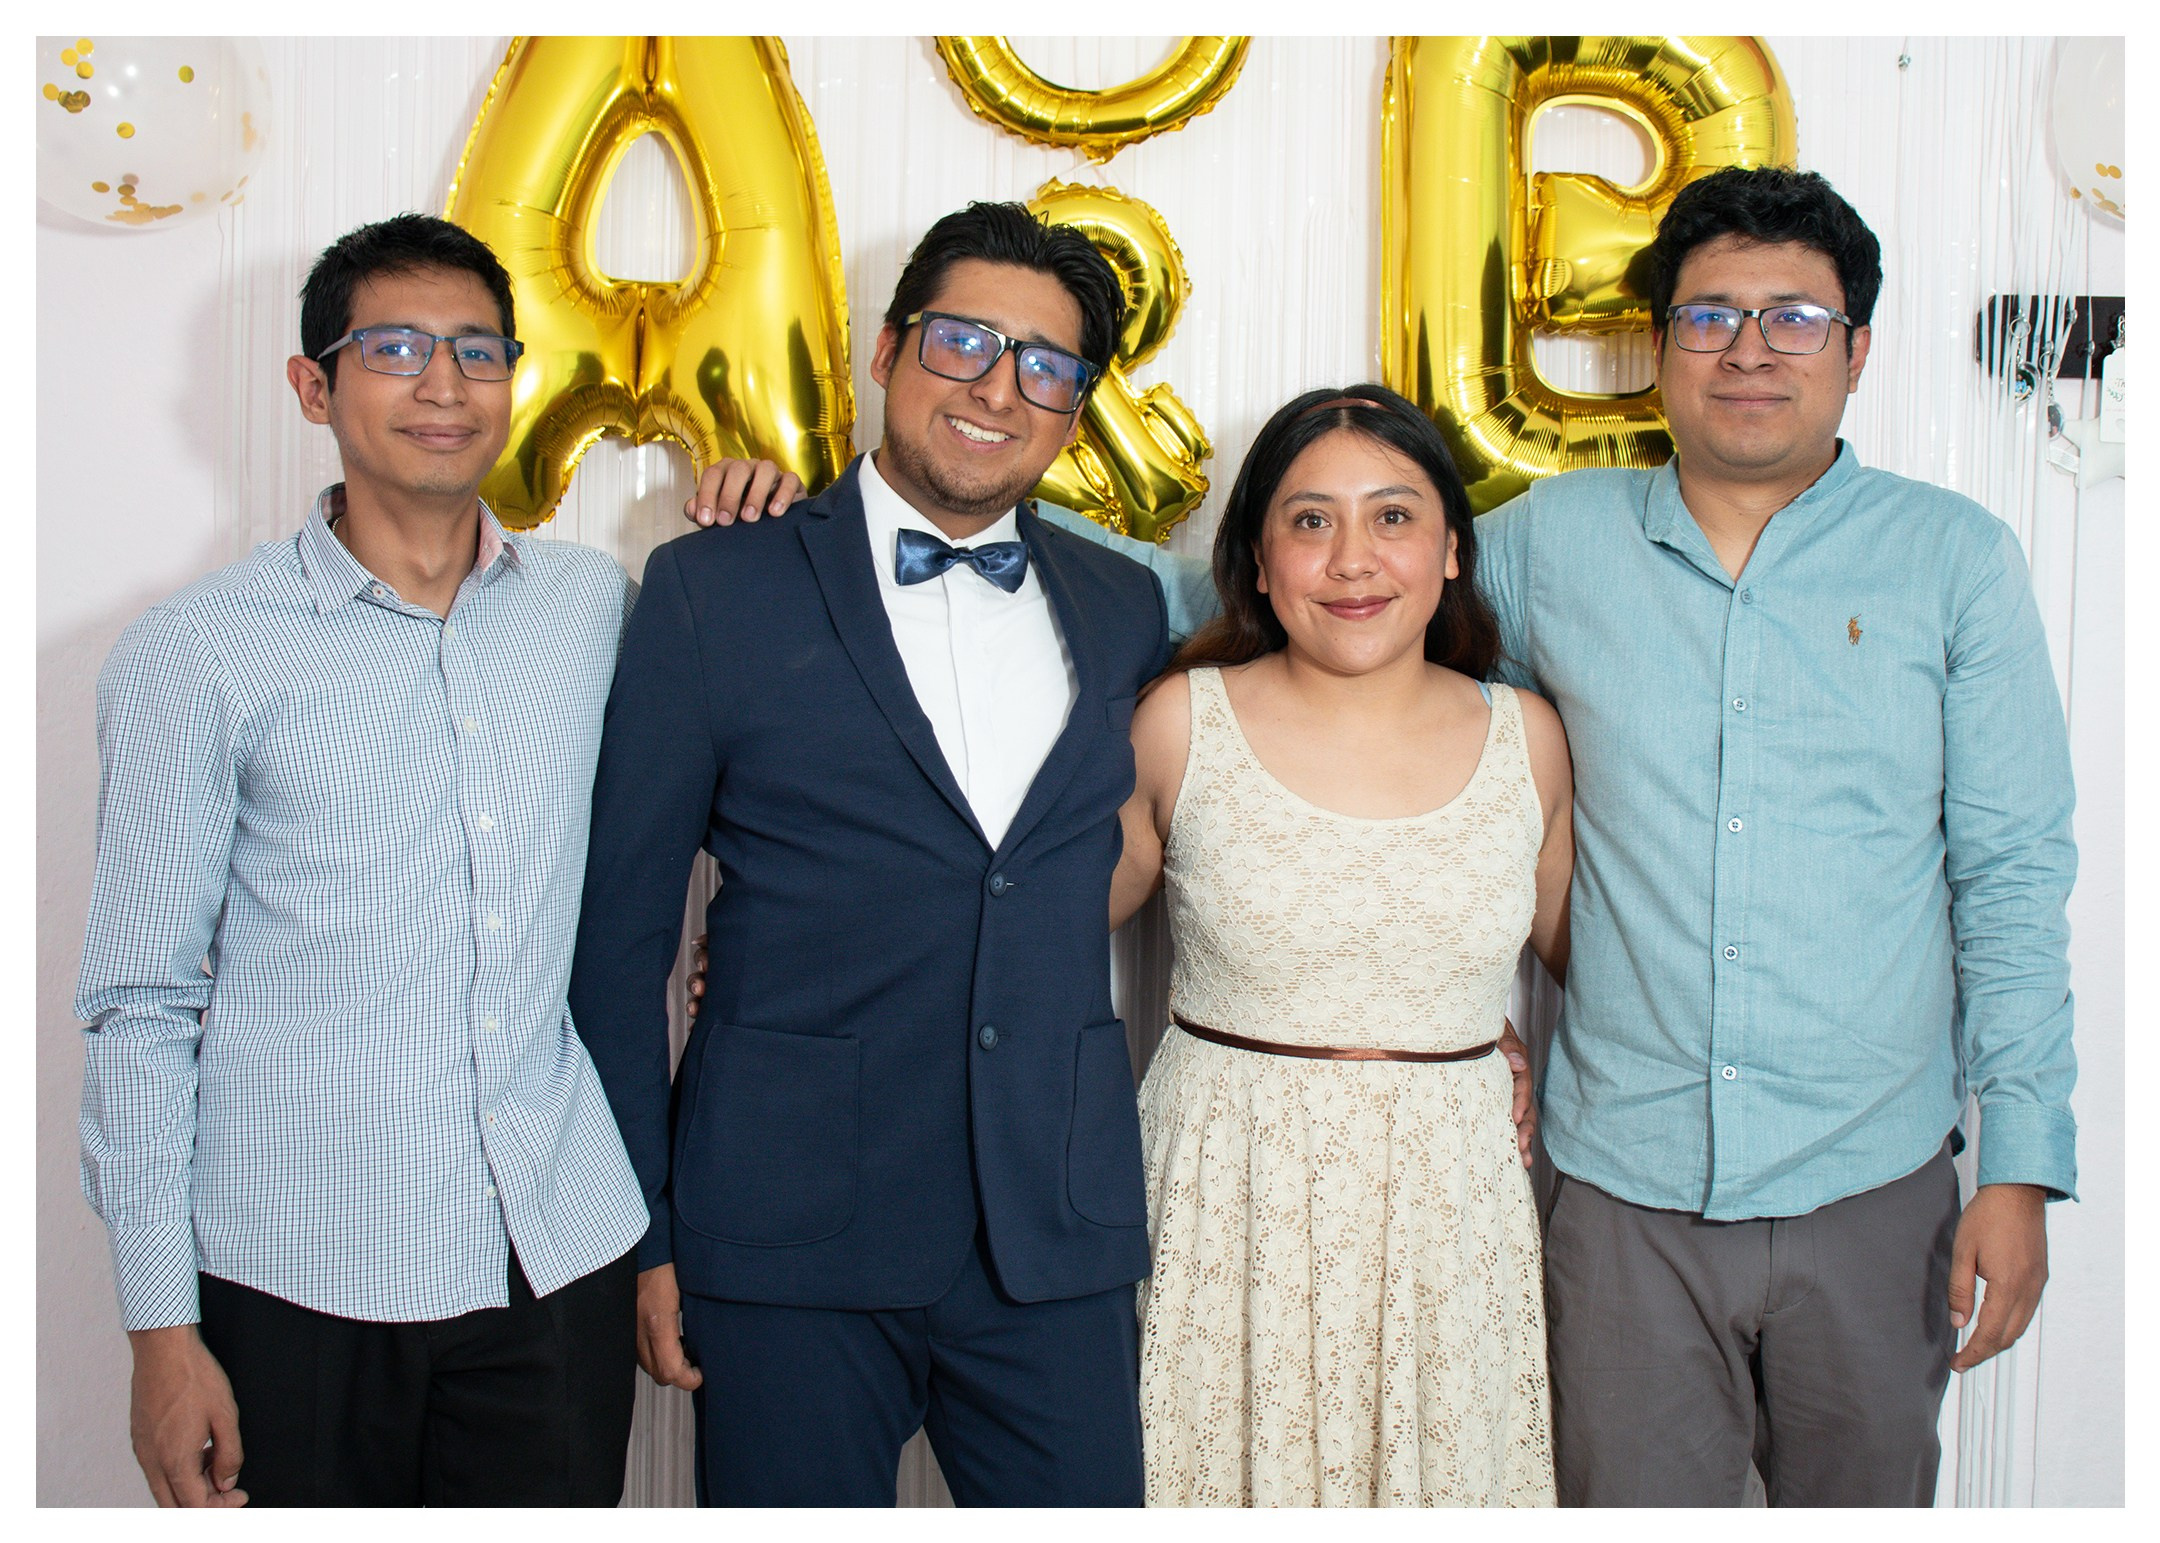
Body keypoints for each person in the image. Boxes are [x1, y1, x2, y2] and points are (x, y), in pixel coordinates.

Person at [565, 201, 1173, 1506]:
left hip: (1050, 1234)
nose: (999, 388)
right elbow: (619, 944)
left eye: (1046, 366)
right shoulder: (714, 586)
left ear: (1075, 408)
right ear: (888, 351)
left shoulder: (1131, 606)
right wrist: (643, 1234)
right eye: (963, 341)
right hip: (784, 1231)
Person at [75, 213, 649, 1507]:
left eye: (476, 349)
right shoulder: (200, 650)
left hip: (554, 1256)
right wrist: (161, 1332)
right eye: (394, 348)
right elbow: (139, 1005)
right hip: (296, 1273)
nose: (443, 385)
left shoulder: (591, 609)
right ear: (314, 385)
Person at [1103, 385, 1572, 1505]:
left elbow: (1599, 974)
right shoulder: (1181, 719)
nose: (1353, 558)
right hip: (1227, 1202)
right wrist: (813, 951)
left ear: (1454, 550)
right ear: (1257, 560)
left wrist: (1472, 1031)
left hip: (1445, 1214)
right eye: (1310, 521)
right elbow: (1030, 926)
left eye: (1393, 517)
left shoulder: (1528, 738)